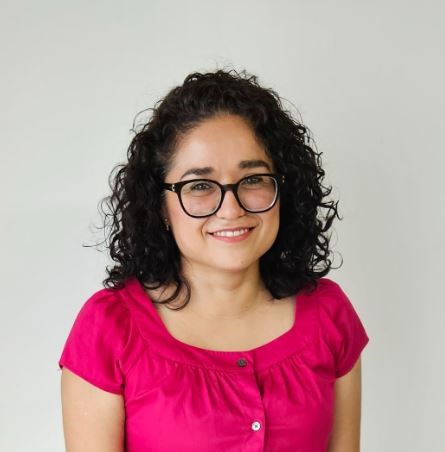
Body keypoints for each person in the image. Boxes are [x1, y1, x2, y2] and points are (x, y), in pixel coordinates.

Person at [58, 69, 370, 452]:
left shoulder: (329, 314)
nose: (231, 209)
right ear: (160, 205)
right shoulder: (108, 330)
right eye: (200, 185)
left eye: (253, 179)